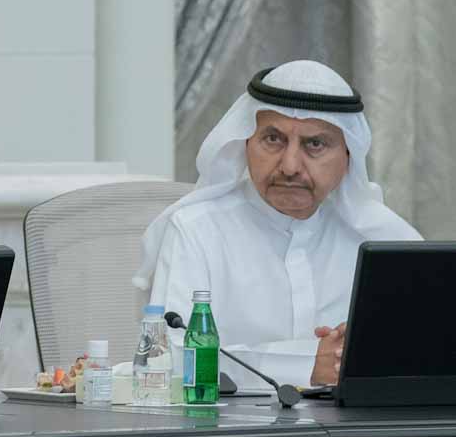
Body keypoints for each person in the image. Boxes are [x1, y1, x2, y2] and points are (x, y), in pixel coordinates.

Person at [136, 60, 422, 389]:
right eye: (273, 139)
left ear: (348, 158)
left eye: (315, 144)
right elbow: (171, 359)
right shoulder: (196, 229)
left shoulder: (381, 239)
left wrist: (362, 351)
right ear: (245, 144)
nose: (289, 166)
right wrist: (307, 365)